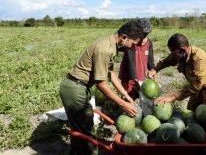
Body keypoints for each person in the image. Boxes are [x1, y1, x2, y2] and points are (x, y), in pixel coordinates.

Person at [59, 20, 144, 155]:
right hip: (74, 88)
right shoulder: (104, 49)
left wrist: (126, 95)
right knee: (86, 133)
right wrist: (123, 104)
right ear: (124, 37)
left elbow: (111, 73)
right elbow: (101, 85)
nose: (132, 47)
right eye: (132, 44)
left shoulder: (112, 46)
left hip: (80, 87)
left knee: (81, 130)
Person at [148, 33, 206, 119]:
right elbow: (167, 61)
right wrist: (155, 69)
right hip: (197, 83)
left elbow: (195, 86)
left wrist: (173, 96)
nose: (173, 56)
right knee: (191, 109)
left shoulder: (198, 60)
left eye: (174, 53)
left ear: (183, 50)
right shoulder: (180, 54)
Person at [118, 18, 155, 100]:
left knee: (140, 94)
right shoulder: (131, 43)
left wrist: (152, 69)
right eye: (142, 36)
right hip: (129, 75)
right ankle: (125, 110)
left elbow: (150, 60)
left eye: (145, 36)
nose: (143, 39)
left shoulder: (149, 43)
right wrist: (134, 79)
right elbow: (130, 61)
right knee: (127, 95)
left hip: (140, 75)